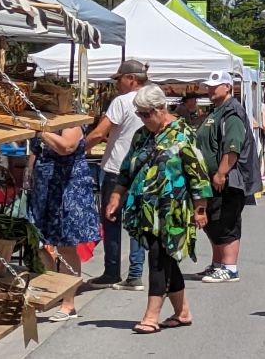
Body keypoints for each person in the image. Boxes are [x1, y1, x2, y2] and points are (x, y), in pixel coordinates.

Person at [106, 84, 211, 335]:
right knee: (166, 258)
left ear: (161, 108)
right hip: (145, 209)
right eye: (139, 114)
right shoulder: (141, 135)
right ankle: (182, 312)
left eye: (146, 113)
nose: (142, 119)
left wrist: (200, 208)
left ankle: (151, 316)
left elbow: (197, 172)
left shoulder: (182, 133)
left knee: (158, 258)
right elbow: (126, 169)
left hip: (172, 210)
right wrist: (115, 196)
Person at [83, 59, 148, 291]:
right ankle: (135, 273)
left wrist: (79, 150)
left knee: (111, 219)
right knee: (137, 222)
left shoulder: (121, 101)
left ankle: (112, 271)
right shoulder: (154, 98)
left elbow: (100, 132)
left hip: (116, 169)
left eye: (119, 79)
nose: (117, 84)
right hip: (142, 170)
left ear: (131, 78)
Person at [28, 121, 101, 321]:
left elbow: (66, 147)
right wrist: (29, 174)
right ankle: (55, 289)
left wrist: (40, 131)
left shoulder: (70, 122)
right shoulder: (43, 120)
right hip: (44, 188)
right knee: (37, 241)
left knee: (66, 246)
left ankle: (68, 303)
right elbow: (35, 150)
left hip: (67, 189)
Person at [195, 70, 262, 283]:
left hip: (230, 179)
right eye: (209, 86)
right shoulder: (217, 111)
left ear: (228, 87)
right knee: (214, 221)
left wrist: (222, 172)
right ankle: (218, 264)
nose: (210, 89)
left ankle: (230, 267)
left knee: (227, 220)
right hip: (214, 177)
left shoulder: (232, 112)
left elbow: (233, 146)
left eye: (216, 86)